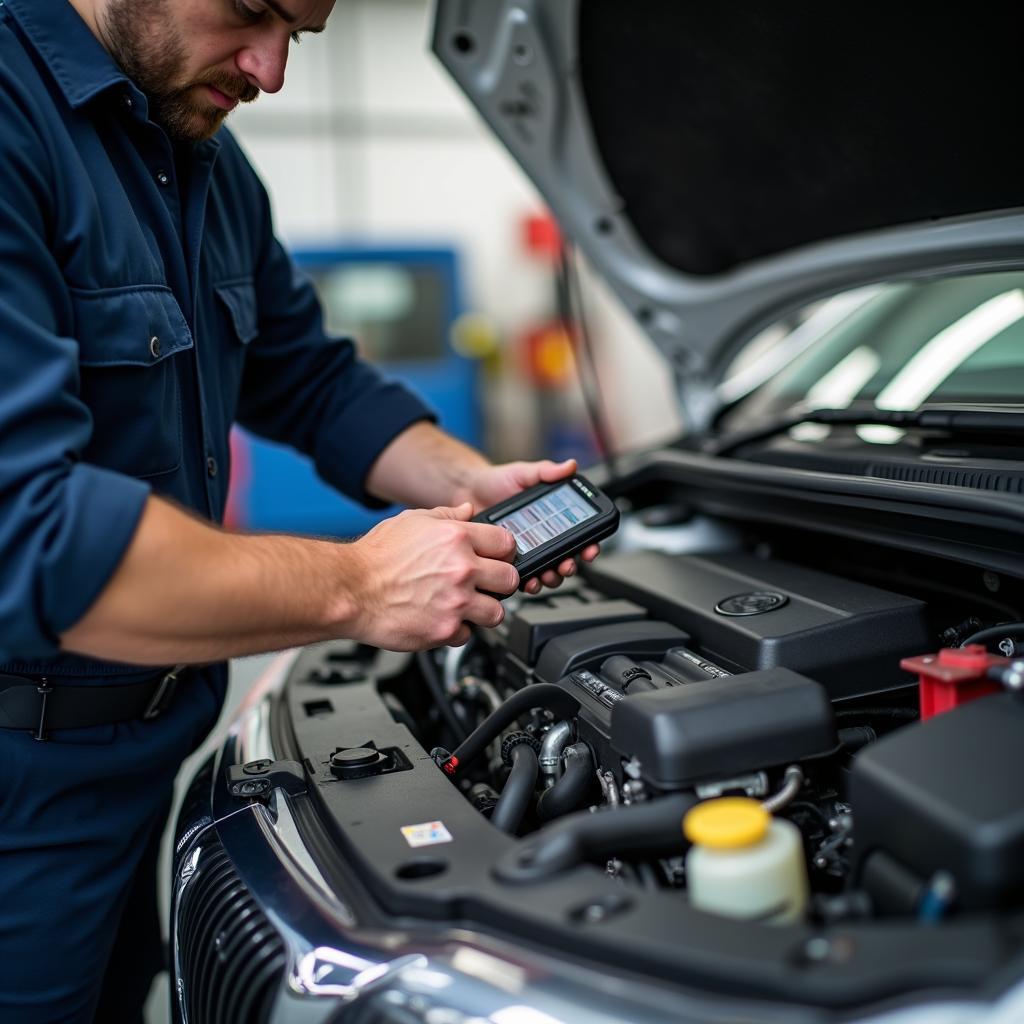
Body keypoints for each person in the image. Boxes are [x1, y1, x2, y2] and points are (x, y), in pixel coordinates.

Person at [0, 0, 599, 1020]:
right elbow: (34, 537)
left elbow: (309, 379)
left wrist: (468, 482)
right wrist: (360, 586)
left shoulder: (205, 165)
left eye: (301, 35)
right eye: (250, 12)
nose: (271, 71)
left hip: (139, 767)